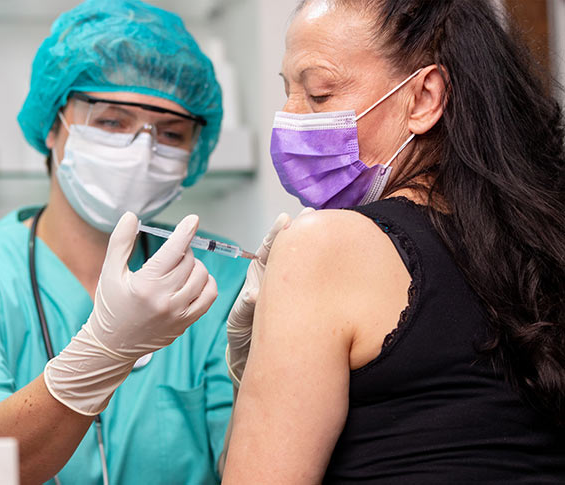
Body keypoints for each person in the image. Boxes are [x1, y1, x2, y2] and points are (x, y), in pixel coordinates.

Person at [0, 1, 253, 483]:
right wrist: (105, 350)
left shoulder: (221, 280)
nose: (142, 150)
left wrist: (265, 377)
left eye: (171, 133)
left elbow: (252, 469)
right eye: (111, 121)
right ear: (52, 127)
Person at [222, 0, 565, 482]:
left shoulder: (323, 246)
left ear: (424, 98)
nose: (289, 118)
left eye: (318, 93)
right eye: (287, 91)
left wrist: (252, 376)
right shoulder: (544, 242)